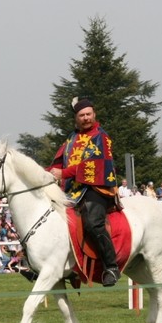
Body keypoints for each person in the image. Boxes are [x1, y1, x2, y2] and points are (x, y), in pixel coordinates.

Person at [47, 97, 121, 286]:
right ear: (76, 118)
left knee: (93, 222)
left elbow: (93, 165)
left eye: (88, 114)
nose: (86, 118)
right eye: (82, 115)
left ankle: (111, 267)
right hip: (72, 190)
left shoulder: (101, 137)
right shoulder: (70, 139)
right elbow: (57, 164)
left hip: (98, 187)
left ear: (94, 114)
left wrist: (63, 173)